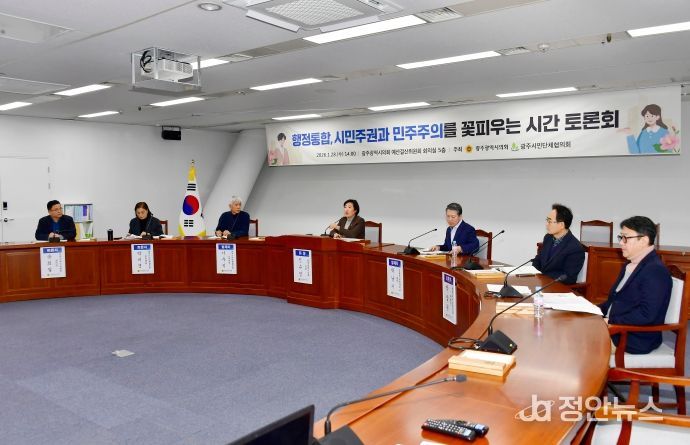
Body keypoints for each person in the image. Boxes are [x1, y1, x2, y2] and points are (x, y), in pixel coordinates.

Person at [599, 216, 672, 354]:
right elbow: (615, 300)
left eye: (626, 238)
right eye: (621, 237)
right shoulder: (630, 265)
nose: (621, 243)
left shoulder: (655, 271)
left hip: (632, 337)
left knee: (575, 342)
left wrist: (611, 321)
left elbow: (647, 314)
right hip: (615, 327)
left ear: (643, 240)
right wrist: (592, 311)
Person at [532, 203, 585, 284]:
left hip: (557, 287)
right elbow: (538, 260)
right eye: (547, 220)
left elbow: (569, 277)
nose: (547, 224)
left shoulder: (575, 248)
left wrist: (543, 276)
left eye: (550, 221)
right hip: (541, 283)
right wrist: (532, 273)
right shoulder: (548, 238)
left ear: (561, 225)